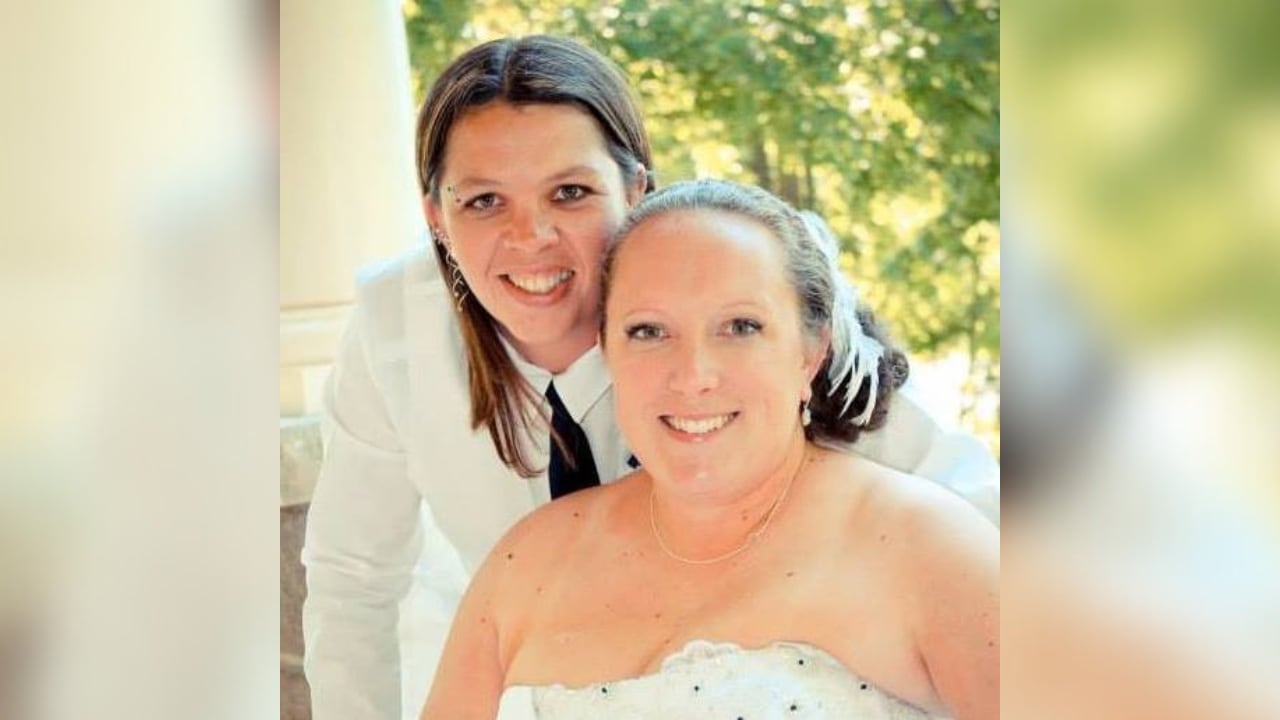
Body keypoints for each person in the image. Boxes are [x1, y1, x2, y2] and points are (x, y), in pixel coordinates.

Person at [302, 35, 998, 720]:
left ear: (635, 189)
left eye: (570, 192)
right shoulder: (397, 331)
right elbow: (352, 580)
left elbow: (968, 511)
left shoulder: (746, 278)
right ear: (436, 218)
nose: (531, 237)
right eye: (485, 201)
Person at [419, 179, 999, 719]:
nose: (694, 375)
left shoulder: (922, 543)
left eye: (741, 327)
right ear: (606, 350)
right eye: (649, 331)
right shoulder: (528, 563)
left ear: (810, 352)